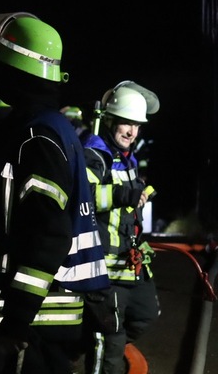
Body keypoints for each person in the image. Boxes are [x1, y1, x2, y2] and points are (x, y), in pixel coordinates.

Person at [0, 12, 110, 374]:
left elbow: (48, 236)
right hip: (44, 318)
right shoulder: (50, 129)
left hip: (34, 325)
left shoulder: (38, 139)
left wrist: (12, 328)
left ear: (12, 69)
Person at [80, 81, 160, 374]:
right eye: (126, 123)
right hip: (104, 268)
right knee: (109, 339)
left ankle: (82, 342)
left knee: (146, 314)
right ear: (110, 121)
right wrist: (121, 195)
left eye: (137, 125)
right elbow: (81, 197)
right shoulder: (95, 154)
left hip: (128, 265)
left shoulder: (127, 159)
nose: (132, 132)